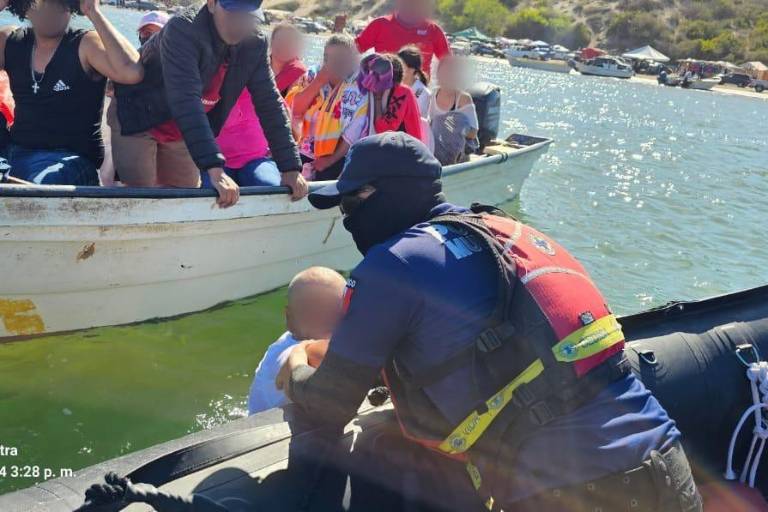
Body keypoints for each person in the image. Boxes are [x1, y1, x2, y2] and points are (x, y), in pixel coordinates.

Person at [278, 132, 702, 512]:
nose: (348, 219)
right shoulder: (509, 233)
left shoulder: (392, 264)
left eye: (349, 204)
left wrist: (295, 364)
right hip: (669, 465)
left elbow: (329, 404)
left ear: (376, 196)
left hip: (570, 491)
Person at [110, 0, 306, 208]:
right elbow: (186, 100)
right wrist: (214, 168)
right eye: (233, 13)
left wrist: (290, 167)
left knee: (185, 199)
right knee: (142, 198)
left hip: (182, 128)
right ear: (211, 4)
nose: (239, 24)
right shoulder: (182, 29)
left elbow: (270, 103)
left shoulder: (255, 43)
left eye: (247, 16)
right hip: (138, 112)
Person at [0, 0, 142, 185]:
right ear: (25, 8)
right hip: (15, 151)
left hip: (69, 160)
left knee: (40, 184)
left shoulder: (86, 44)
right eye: (40, 4)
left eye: (59, 4)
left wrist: (93, 12)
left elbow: (132, 72)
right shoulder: (10, 40)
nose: (50, 11)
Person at [247, 267, 345, 414]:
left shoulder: (294, 336)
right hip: (269, 428)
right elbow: (329, 354)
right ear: (290, 318)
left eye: (338, 313)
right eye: (315, 312)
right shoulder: (287, 354)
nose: (329, 319)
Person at [286, 34, 368, 181]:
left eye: (341, 59)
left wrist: (330, 160)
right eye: (329, 58)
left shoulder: (360, 85)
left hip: (340, 156)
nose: (335, 63)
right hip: (305, 149)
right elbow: (295, 110)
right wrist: (319, 81)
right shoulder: (313, 75)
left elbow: (356, 129)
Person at [355, 0, 450, 77]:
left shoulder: (433, 30)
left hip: (418, 92)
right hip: (383, 90)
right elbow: (353, 50)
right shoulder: (379, 25)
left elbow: (448, 63)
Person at [429, 55, 479, 165]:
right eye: (443, 72)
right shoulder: (433, 94)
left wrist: (453, 126)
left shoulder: (464, 98)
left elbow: (473, 133)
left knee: (441, 122)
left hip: (458, 153)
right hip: (436, 150)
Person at [367, 54, 423, 143]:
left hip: (406, 147)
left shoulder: (402, 92)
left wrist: (378, 99)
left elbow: (383, 130)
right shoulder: (371, 90)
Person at [269, 23, 306, 97]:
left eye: (290, 42)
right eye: (280, 40)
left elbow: (291, 102)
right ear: (271, 42)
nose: (284, 45)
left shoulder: (298, 74)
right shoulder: (256, 65)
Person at [398, 45, 431, 116]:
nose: (397, 69)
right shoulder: (393, 88)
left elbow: (417, 118)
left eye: (401, 65)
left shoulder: (422, 93)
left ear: (412, 69)